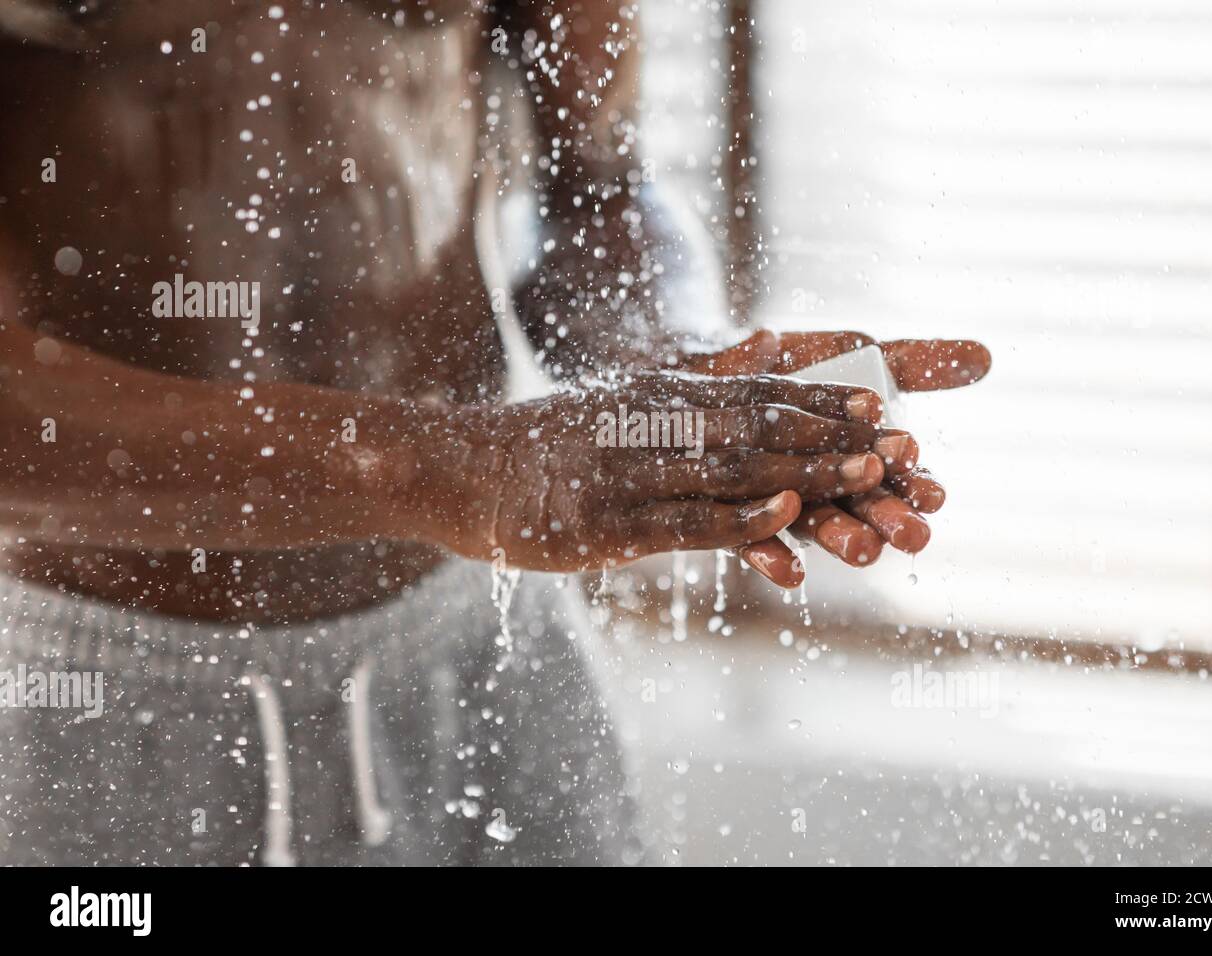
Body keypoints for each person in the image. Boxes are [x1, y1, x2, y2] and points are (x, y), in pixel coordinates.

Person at [0, 0, 989, 865]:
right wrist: (442, 470)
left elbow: (602, 195)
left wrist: (687, 363)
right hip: (90, 696)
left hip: (484, 647)